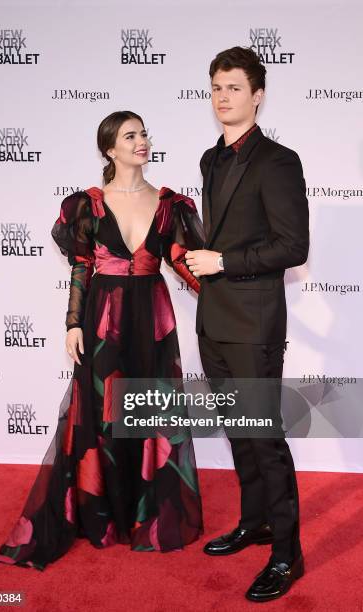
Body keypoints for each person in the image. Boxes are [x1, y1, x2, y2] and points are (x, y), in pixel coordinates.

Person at [0, 110, 204, 570]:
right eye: (131, 135)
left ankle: (147, 516)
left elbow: (185, 265)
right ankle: (103, 515)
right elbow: (81, 266)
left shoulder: (171, 204)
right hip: (102, 321)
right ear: (110, 148)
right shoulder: (86, 205)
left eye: (144, 133)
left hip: (152, 319)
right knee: (102, 415)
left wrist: (234, 296)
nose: (142, 140)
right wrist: (72, 323)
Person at [185, 47, 309, 602]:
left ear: (257, 95)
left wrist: (224, 263)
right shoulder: (212, 159)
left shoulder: (279, 161)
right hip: (213, 321)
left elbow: (293, 245)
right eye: (215, 87)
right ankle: (255, 522)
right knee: (240, 435)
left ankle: (287, 553)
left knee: (265, 438)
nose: (222, 97)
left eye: (233, 87)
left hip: (254, 322)